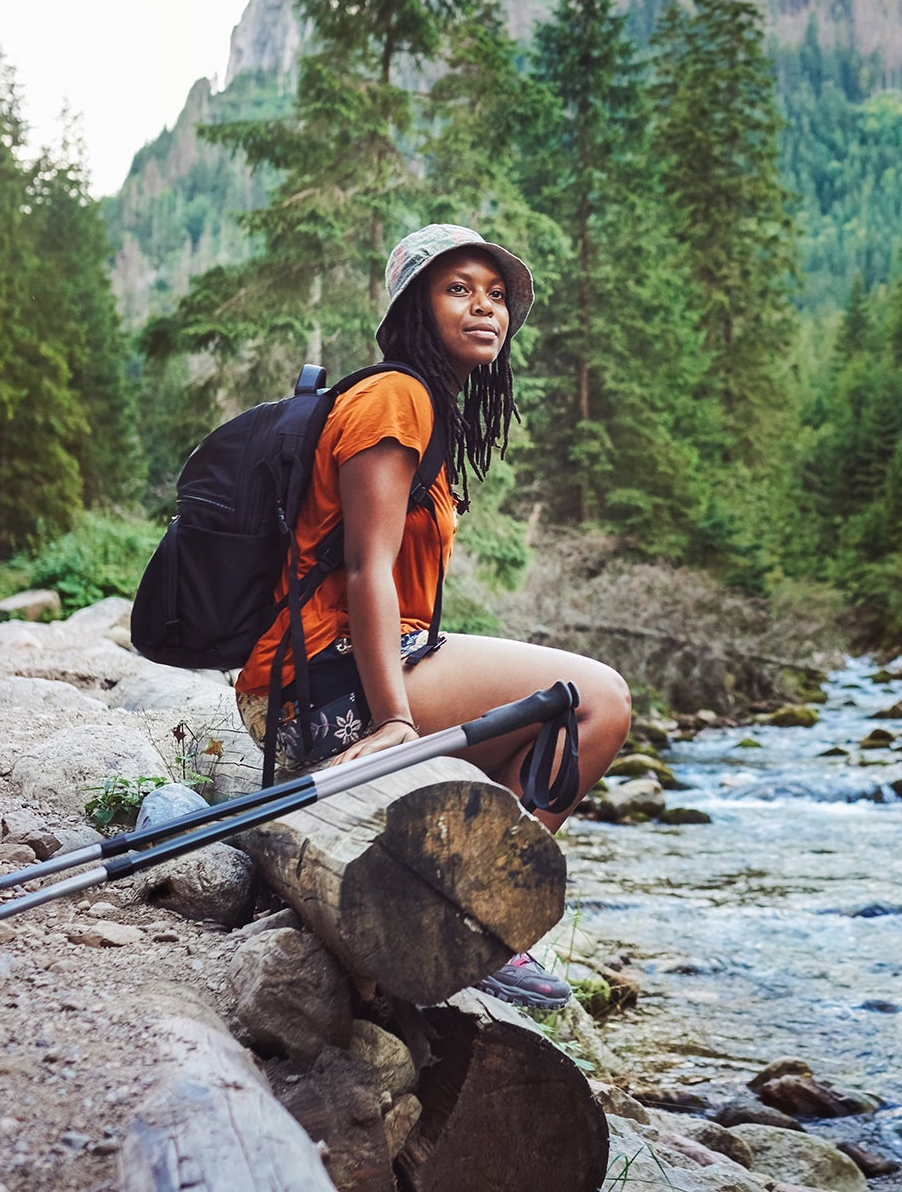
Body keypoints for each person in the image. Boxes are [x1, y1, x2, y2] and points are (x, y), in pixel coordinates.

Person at [234, 223, 632, 1009]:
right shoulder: (396, 395)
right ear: (414, 307)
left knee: (563, 704)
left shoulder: (424, 404)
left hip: (332, 678)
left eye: (495, 294)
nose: (485, 307)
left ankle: (458, 909)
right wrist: (393, 721)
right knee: (600, 702)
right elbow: (365, 568)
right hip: (325, 692)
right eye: (458, 289)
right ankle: (485, 917)